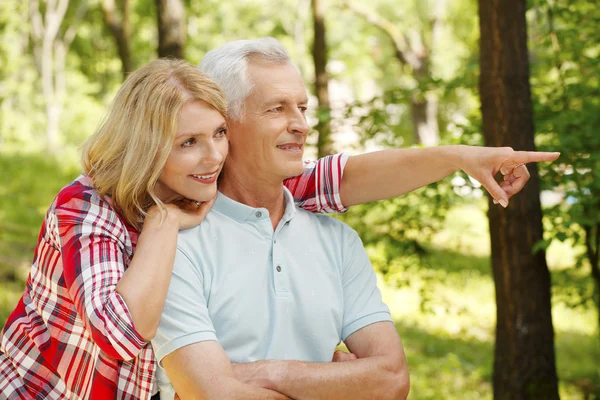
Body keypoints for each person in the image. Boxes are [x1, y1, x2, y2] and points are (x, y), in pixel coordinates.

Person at [151, 38, 560, 400]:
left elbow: (391, 380)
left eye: (303, 107)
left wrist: (270, 372)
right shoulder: (173, 243)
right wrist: (335, 383)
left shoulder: (338, 242)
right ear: (224, 124)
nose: (300, 124)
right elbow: (212, 393)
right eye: (276, 108)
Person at [1, 59, 359, 400]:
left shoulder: (204, 182)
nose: (214, 156)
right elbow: (119, 336)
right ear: (147, 148)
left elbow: (324, 181)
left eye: (219, 133)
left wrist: (418, 165)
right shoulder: (88, 206)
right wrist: (164, 223)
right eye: (189, 142)